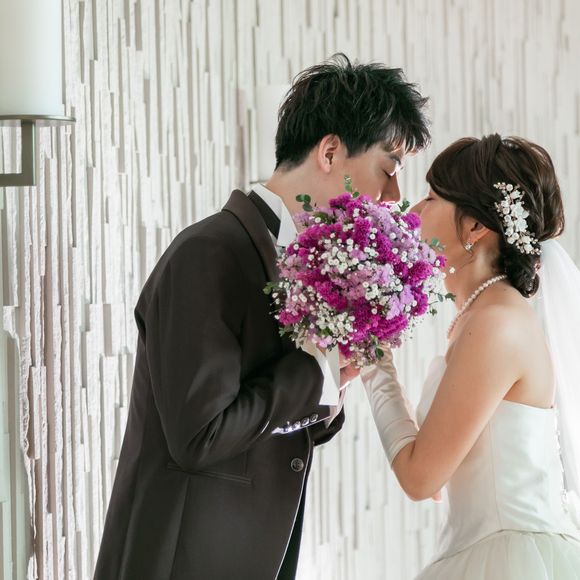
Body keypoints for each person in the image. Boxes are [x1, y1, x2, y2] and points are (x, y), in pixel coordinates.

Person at [93, 53, 430, 580]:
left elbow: (273, 428)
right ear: (330, 151)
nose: (393, 197)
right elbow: (200, 436)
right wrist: (316, 372)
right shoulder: (208, 252)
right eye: (387, 170)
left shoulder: (309, 269)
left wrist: (334, 381)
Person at [359, 134, 580, 578]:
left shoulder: (496, 323)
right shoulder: (483, 316)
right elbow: (441, 476)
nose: (414, 210)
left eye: (431, 198)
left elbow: (421, 478)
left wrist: (371, 358)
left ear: (475, 226)